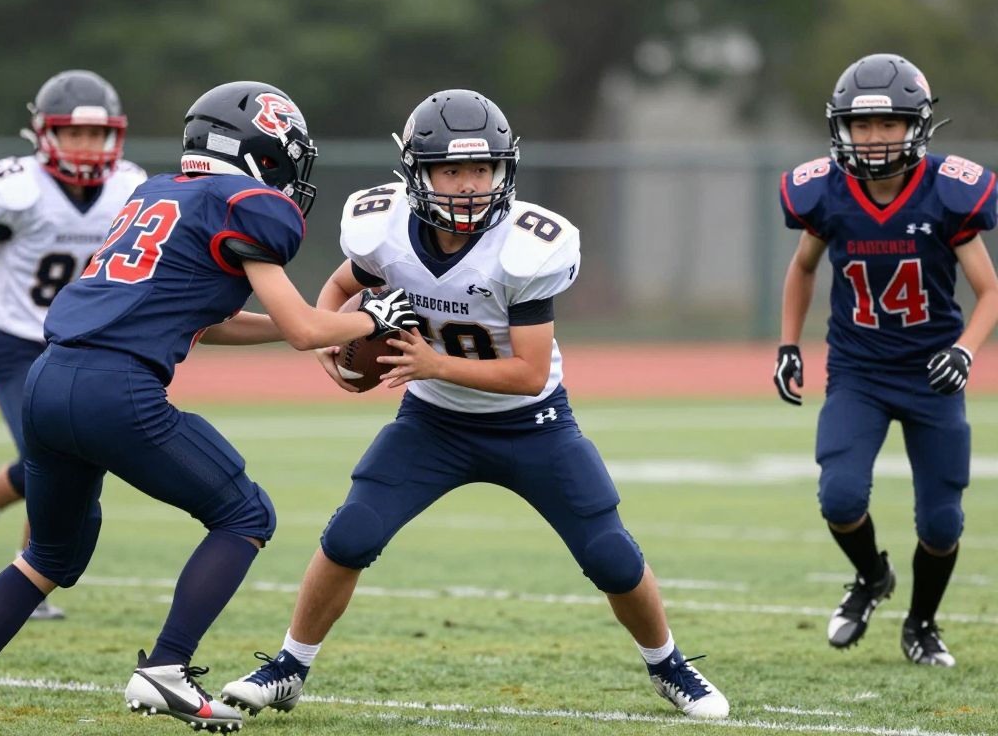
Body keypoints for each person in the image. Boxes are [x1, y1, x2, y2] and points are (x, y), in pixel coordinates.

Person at [220, 89, 730, 721]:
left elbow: (528, 373)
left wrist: (433, 364)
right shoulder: (384, 230)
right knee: (351, 534)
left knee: (611, 556)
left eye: (482, 169)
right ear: (417, 173)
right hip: (432, 422)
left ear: (504, 170)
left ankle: (669, 666)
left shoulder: (526, 247)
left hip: (533, 424)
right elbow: (344, 282)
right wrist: (333, 340)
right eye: (451, 170)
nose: (468, 185)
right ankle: (290, 666)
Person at [0, 80, 417, 733]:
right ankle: (166, 668)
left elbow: (207, 321)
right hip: (114, 389)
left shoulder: (156, 191)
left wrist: (308, 326)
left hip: (48, 379)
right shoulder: (246, 204)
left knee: (46, 558)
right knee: (245, 512)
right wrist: (370, 317)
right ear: (262, 153)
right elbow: (304, 327)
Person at [774, 53, 998, 666]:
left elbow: (990, 290)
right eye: (863, 125)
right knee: (840, 497)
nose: (875, 139)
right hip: (859, 372)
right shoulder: (827, 192)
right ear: (841, 128)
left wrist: (964, 350)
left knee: (943, 522)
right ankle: (872, 578)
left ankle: (922, 624)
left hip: (932, 373)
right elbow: (802, 268)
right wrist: (789, 344)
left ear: (917, 125)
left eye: (890, 125)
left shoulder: (947, 192)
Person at [0, 70, 146, 621]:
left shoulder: (129, 189)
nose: (86, 146)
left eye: (96, 135)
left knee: (72, 455)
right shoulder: (15, 189)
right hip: (17, 339)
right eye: (74, 133)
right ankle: (32, 572)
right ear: (44, 133)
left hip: (82, 344)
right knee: (47, 455)